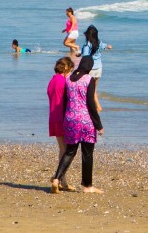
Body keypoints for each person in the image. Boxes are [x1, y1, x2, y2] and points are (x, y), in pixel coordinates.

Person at [50, 55, 104, 194]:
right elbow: (90, 104)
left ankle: (56, 179)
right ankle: (87, 186)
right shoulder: (88, 79)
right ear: (89, 67)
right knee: (87, 154)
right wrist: (98, 124)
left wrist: (65, 119)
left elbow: (65, 102)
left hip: (70, 119)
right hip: (86, 121)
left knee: (69, 152)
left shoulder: (68, 79)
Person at [47, 56, 76, 191]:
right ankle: (59, 178)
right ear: (65, 68)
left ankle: (61, 179)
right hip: (62, 118)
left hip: (53, 117)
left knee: (62, 149)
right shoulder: (63, 81)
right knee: (67, 151)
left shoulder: (52, 81)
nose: (70, 73)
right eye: (70, 70)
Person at [78, 25, 113, 112]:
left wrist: (79, 69)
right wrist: (108, 46)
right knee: (94, 89)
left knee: (89, 90)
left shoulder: (87, 44)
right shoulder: (98, 42)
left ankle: (97, 107)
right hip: (98, 69)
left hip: (90, 69)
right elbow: (105, 46)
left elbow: (86, 56)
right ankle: (92, 106)